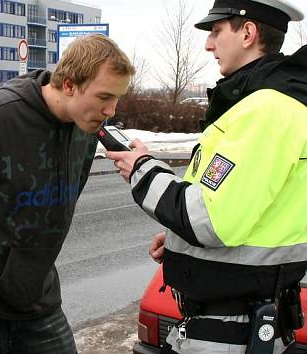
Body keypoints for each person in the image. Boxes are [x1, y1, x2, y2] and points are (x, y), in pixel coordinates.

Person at [106, 0, 307, 353]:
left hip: (232, 332)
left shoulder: (267, 109)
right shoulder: (261, 103)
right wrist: (179, 243)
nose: (208, 44)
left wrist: (142, 169)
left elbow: (210, 221)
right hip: (237, 323)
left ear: (247, 32)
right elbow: (249, 210)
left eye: (216, 31)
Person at [0, 34, 134, 353]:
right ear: (70, 84)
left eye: (117, 99)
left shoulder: (85, 130)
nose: (111, 111)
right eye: (104, 97)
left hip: (39, 303)